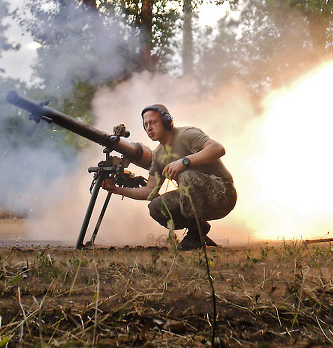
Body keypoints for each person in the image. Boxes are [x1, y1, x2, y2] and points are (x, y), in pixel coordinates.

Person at [101, 104, 237, 250]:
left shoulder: (186, 134)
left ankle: (194, 235)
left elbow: (218, 148)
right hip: (200, 202)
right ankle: (199, 227)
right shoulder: (159, 155)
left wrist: (184, 161)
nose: (149, 128)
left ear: (167, 121)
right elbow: (149, 191)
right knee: (156, 207)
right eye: (145, 124)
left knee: (186, 176)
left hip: (223, 194)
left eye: (152, 122)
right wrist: (116, 189)